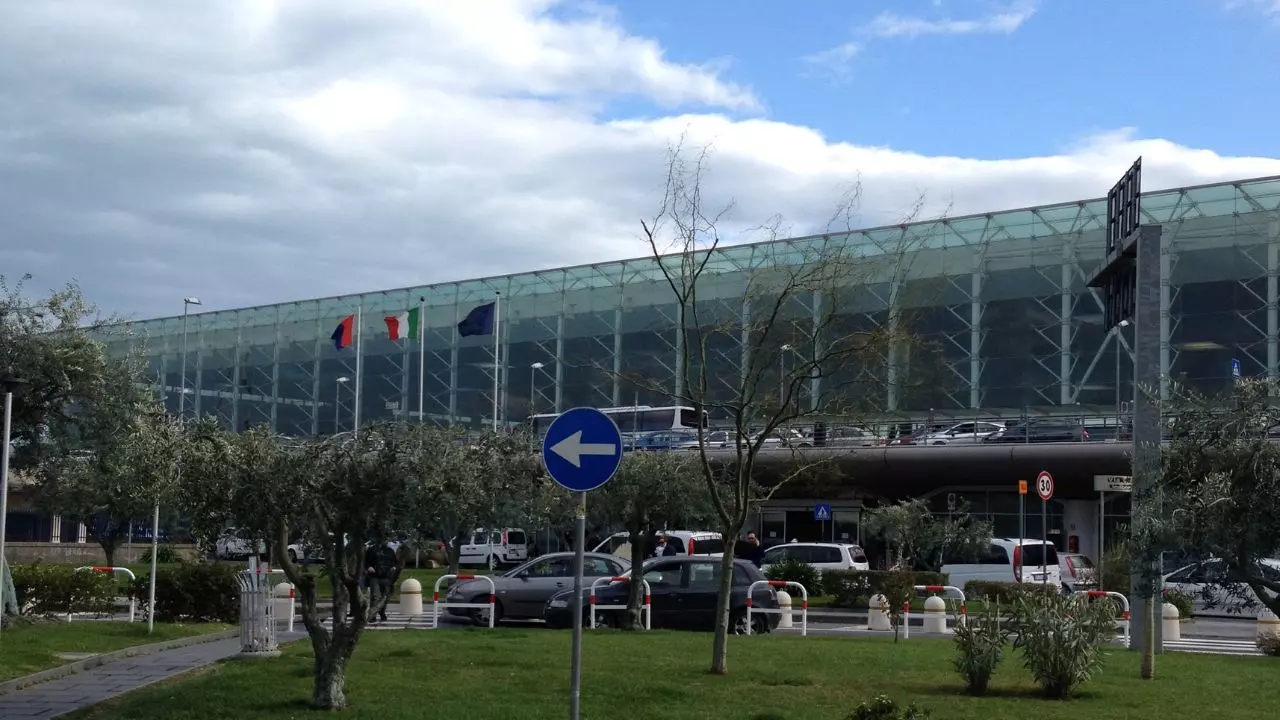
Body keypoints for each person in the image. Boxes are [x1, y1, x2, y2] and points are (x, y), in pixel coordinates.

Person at [364, 542, 399, 622]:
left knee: (385, 597)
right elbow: (366, 562)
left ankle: (381, 611)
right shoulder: (372, 550)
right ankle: (373, 614)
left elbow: (394, 562)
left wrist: (393, 568)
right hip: (375, 576)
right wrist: (369, 567)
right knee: (375, 596)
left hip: (386, 576)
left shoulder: (389, 551)